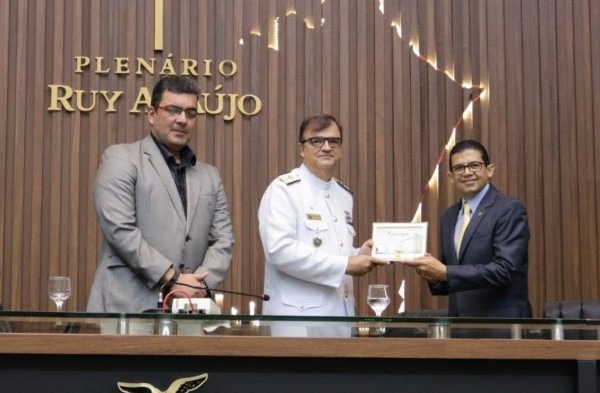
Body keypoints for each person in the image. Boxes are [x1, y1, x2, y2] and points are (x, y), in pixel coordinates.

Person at [87, 75, 234, 313]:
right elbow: (120, 231)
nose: (182, 120)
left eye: (190, 113)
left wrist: (196, 285)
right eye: (173, 110)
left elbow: (223, 241)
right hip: (126, 307)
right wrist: (173, 278)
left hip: (189, 310)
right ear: (152, 114)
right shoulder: (120, 158)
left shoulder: (210, 176)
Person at [258, 113, 389, 336]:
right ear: (302, 149)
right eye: (317, 141)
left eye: (334, 141)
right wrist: (346, 264)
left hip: (340, 318)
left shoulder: (343, 195)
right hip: (298, 324)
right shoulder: (283, 190)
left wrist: (359, 253)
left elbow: (334, 251)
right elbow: (279, 251)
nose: (327, 147)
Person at [403, 139, 531, 318]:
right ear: (451, 177)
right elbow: (452, 278)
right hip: (459, 325)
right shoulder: (448, 217)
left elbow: (505, 270)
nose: (467, 172)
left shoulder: (509, 209)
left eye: (474, 165)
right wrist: (432, 274)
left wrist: (445, 272)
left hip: (502, 326)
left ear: (489, 170)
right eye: (459, 168)